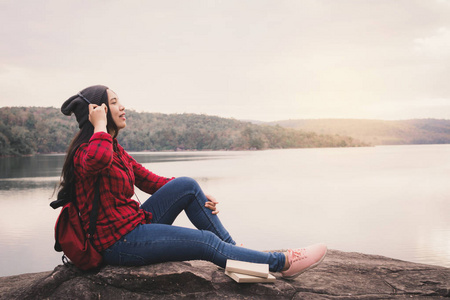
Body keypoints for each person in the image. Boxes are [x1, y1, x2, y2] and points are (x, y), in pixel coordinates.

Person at [58, 85, 327, 279]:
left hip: (135, 226)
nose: (123, 106)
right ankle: (284, 262)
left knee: (186, 184)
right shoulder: (86, 152)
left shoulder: (115, 149)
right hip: (119, 245)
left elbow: (150, 181)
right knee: (206, 243)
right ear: (99, 111)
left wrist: (198, 194)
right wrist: (100, 126)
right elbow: (98, 158)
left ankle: (234, 252)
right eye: (114, 102)